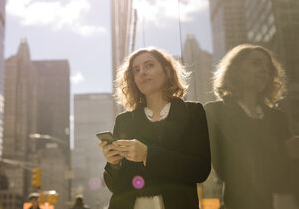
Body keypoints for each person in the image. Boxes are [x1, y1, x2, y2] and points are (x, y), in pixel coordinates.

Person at [98, 47, 211, 209]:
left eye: (149, 65)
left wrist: (147, 155)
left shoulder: (193, 113)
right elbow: (116, 187)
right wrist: (114, 165)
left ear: (167, 71)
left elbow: (200, 169)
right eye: (136, 70)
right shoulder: (124, 121)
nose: (142, 72)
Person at [204, 44, 294, 209]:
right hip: (239, 203)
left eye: (268, 68)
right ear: (235, 70)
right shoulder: (214, 112)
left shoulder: (278, 118)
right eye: (256, 63)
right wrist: (283, 152)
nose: (264, 70)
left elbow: (288, 171)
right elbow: (227, 168)